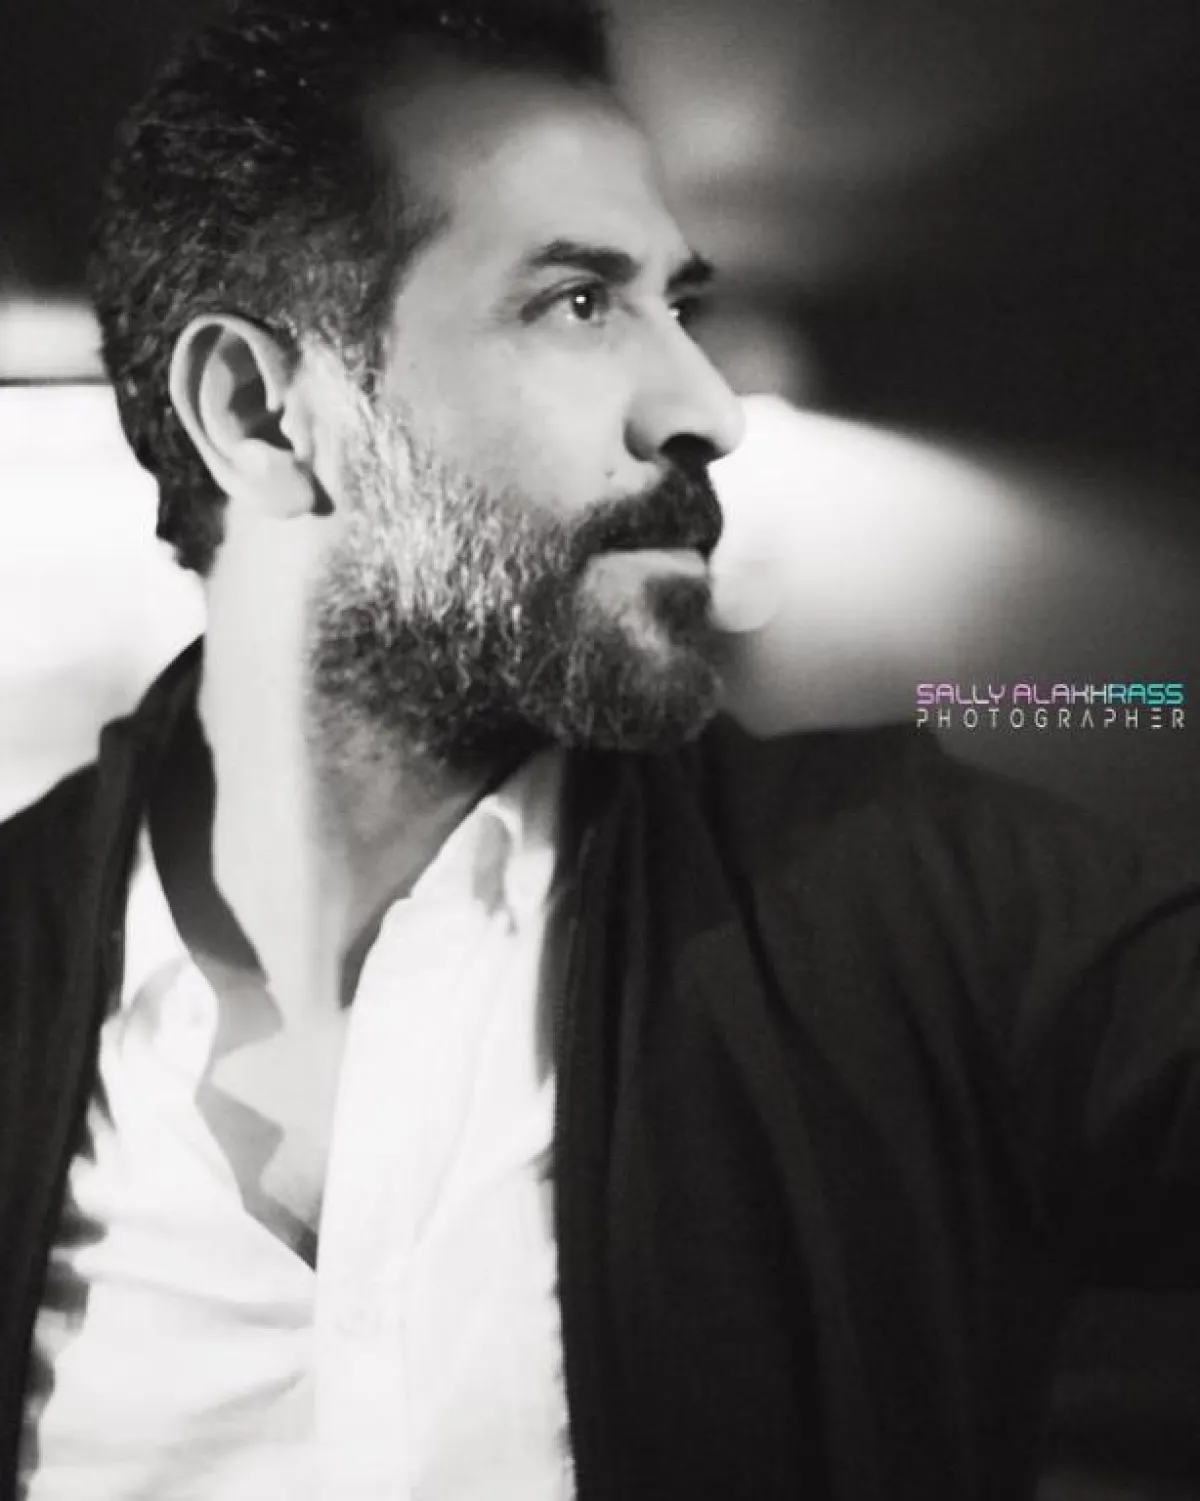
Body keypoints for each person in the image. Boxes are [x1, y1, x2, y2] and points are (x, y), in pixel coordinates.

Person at [3, 0, 1200, 1497]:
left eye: (676, 304)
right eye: (577, 302)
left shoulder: (918, 901)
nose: (708, 407)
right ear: (259, 413)